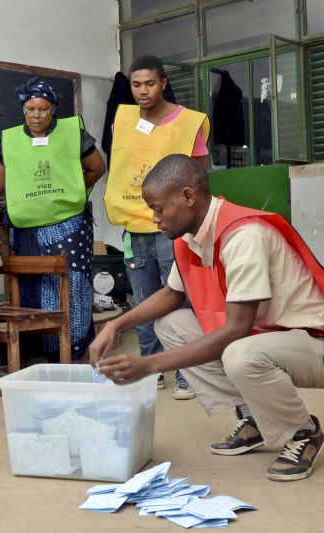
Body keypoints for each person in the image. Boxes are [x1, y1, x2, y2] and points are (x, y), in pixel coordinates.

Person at [91, 154, 324, 482]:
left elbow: (235, 331)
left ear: (188, 196)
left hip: (319, 349)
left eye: (158, 208)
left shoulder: (243, 236)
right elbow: (172, 295)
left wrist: (150, 365)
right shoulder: (191, 236)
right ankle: (257, 416)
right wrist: (115, 324)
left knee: (239, 354)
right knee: (171, 326)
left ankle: (304, 432)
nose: (154, 218)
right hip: (266, 338)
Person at [104, 55, 210, 399]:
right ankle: (150, 371)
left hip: (173, 229)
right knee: (143, 300)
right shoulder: (121, 119)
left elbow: (199, 176)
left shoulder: (189, 122)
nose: (142, 91)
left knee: (177, 300)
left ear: (164, 83)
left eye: (150, 83)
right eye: (136, 85)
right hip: (134, 225)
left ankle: (184, 373)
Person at [0, 77, 106, 360]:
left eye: (43, 109)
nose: (37, 115)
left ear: (53, 109)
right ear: (23, 110)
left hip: (69, 227)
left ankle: (73, 353)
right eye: (30, 109)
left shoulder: (73, 133)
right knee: (32, 291)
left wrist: (75, 192)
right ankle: (37, 355)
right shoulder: (11, 139)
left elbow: (96, 168)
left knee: (72, 289)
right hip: (26, 231)